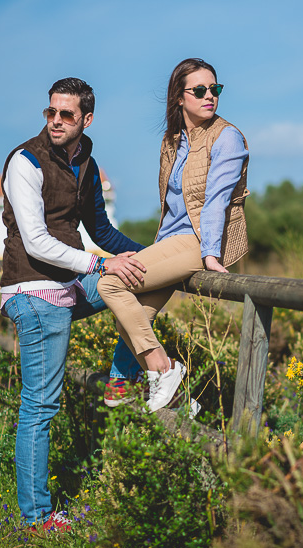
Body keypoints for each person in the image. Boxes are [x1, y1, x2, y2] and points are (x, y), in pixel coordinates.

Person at [0, 77, 147, 532]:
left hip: (69, 285)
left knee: (140, 283)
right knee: (41, 405)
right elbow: (37, 242)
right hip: (34, 291)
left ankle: (121, 380)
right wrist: (98, 266)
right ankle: (37, 518)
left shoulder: (85, 162)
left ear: (86, 119)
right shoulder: (26, 162)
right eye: (50, 112)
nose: (56, 121)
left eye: (66, 114)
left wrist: (149, 255)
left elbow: (101, 231)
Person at [97, 58, 249, 412]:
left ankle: (162, 370)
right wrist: (155, 250)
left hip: (202, 242)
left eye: (215, 89)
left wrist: (211, 254)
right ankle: (172, 399)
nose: (209, 96)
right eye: (200, 90)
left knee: (110, 284)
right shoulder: (172, 142)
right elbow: (170, 205)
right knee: (135, 315)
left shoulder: (228, 138)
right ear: (179, 97)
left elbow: (215, 202)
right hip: (173, 242)